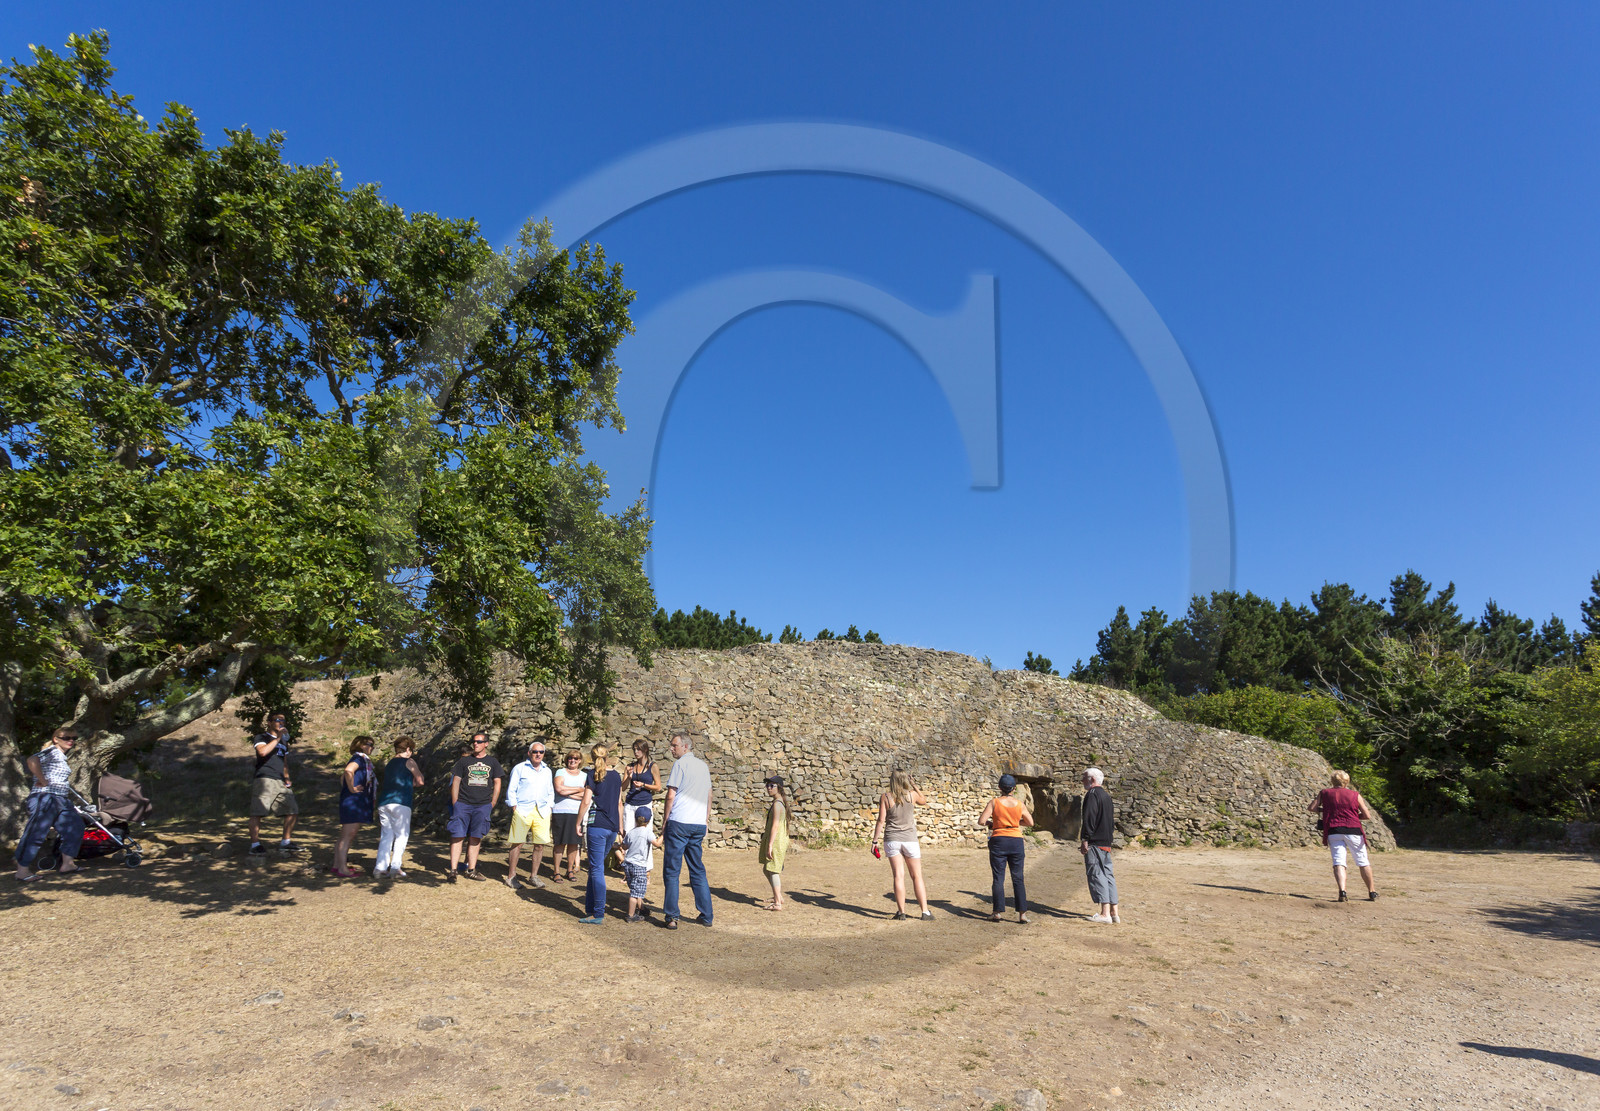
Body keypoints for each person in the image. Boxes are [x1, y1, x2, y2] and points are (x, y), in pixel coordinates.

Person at [14, 727, 84, 882]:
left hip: (61, 799)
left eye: (73, 738)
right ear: (56, 739)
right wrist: (43, 780)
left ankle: (68, 864)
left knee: (76, 826)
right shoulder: (51, 752)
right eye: (66, 737)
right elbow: (32, 760)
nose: (71, 740)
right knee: (36, 832)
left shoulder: (61, 757)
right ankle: (22, 871)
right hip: (45, 797)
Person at [660, 731, 714, 929]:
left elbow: (670, 795)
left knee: (672, 871)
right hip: (697, 824)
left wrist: (665, 821)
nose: (671, 748)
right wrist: (706, 820)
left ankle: (672, 916)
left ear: (686, 746)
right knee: (697, 869)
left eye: (674, 745)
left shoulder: (680, 764)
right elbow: (709, 795)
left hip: (680, 822)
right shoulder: (703, 766)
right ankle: (706, 915)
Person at [1309, 769, 1380, 902]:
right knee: (1362, 861)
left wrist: (1326, 810)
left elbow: (1312, 808)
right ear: (1346, 782)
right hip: (1353, 829)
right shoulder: (1355, 795)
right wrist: (1354, 816)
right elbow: (1367, 815)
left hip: (1334, 829)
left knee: (1339, 862)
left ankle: (1342, 891)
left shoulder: (1324, 793)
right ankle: (1372, 891)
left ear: (1332, 781)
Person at [872, 770, 931, 920]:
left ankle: (901, 912)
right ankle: (925, 912)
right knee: (917, 876)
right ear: (906, 779)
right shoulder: (912, 795)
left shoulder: (885, 797)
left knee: (898, 876)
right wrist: (914, 785)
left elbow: (881, 821)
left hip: (892, 839)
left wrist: (874, 841)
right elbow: (924, 800)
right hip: (910, 839)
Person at [577, 743, 625, 924]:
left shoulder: (591, 775)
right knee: (594, 868)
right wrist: (620, 826)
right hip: (611, 828)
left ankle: (598, 913)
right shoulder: (616, 776)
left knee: (596, 869)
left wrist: (577, 823)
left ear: (591, 757)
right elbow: (620, 803)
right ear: (607, 757)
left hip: (597, 826)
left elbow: (585, 802)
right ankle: (590, 909)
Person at [447, 732, 504, 882]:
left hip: (483, 805)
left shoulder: (492, 762)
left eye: (479, 741)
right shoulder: (464, 762)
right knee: (457, 835)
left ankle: (471, 870)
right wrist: (455, 802)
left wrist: (493, 801)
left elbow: (497, 781)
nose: (475, 744)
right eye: (474, 741)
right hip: (463, 804)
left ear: (486, 744)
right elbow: (456, 781)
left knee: (476, 837)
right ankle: (453, 870)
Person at [980, 773, 1034, 923]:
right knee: (1018, 878)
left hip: (999, 840)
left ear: (999, 788)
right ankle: (1022, 914)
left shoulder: (994, 803)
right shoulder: (1019, 804)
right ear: (1014, 789)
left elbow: (982, 821)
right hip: (1016, 840)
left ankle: (997, 911)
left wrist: (994, 824)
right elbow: (1030, 822)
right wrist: (1016, 823)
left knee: (998, 878)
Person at [247, 712, 302, 856]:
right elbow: (263, 752)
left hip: (280, 781)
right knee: (258, 812)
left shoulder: (284, 742)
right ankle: (255, 845)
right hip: (265, 778)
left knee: (292, 810)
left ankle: (286, 842)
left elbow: (284, 761)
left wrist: (287, 777)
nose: (281, 722)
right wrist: (277, 738)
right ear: (269, 722)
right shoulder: (261, 737)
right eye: (278, 720)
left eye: (283, 720)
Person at [505, 737, 556, 889]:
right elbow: (511, 788)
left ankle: (534, 876)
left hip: (542, 811)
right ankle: (511, 876)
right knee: (517, 843)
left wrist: (550, 807)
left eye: (541, 752)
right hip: (523, 810)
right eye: (535, 752)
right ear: (529, 753)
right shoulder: (520, 768)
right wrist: (514, 806)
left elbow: (550, 791)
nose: (538, 754)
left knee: (539, 845)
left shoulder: (547, 771)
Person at [375, 736, 424, 878]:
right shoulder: (409, 761)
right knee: (401, 835)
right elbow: (420, 781)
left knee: (386, 835)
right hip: (401, 801)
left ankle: (380, 868)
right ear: (408, 749)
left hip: (384, 802)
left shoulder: (389, 763)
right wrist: (412, 783)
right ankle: (395, 867)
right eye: (411, 750)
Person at [330, 736, 376, 878]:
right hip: (353, 801)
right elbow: (348, 772)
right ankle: (342, 868)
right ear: (362, 745)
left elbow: (342, 779)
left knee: (346, 834)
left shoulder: (361, 759)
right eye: (370, 745)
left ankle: (337, 865)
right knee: (349, 834)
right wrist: (352, 789)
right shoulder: (359, 759)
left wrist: (348, 787)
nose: (372, 748)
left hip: (353, 800)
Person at [1079, 767, 1119, 923]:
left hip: (1095, 843)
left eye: (1084, 778)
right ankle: (1114, 912)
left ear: (1092, 779)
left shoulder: (1092, 795)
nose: (1082, 781)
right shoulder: (1106, 796)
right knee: (1109, 875)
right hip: (1106, 842)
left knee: (1097, 874)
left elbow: (1089, 818)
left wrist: (1085, 839)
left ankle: (1104, 914)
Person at [618, 805, 660, 922]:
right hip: (639, 866)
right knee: (635, 893)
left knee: (636, 888)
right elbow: (657, 844)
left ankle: (641, 908)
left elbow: (625, 846)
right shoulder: (647, 832)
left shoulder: (631, 832)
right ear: (648, 820)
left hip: (628, 864)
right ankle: (631, 915)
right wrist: (663, 836)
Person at [552, 749, 587, 882]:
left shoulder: (584, 775)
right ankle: (556, 871)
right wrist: (578, 789)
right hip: (560, 811)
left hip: (576, 813)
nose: (572, 760)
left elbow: (586, 794)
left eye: (576, 758)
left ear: (580, 761)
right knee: (560, 842)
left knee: (573, 843)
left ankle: (570, 870)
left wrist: (568, 793)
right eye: (570, 758)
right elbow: (559, 789)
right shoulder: (560, 772)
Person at [758, 774, 792, 911]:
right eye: (767, 785)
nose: (768, 788)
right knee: (767, 869)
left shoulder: (778, 805)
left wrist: (770, 845)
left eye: (772, 786)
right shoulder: (778, 802)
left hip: (776, 841)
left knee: (772, 869)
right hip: (777, 839)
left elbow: (775, 826)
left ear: (779, 788)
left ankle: (777, 902)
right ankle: (777, 896)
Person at [624, 740, 663, 824]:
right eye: (634, 749)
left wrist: (643, 785)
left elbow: (658, 787)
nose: (635, 752)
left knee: (644, 834)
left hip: (645, 804)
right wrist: (628, 778)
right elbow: (622, 788)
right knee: (628, 833)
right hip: (630, 804)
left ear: (645, 749)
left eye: (638, 749)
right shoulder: (630, 767)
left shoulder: (653, 766)